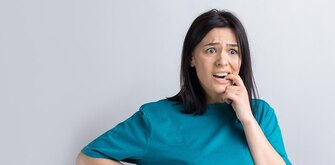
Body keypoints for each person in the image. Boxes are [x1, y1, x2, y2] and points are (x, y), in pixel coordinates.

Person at [76, 9, 291, 165]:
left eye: (233, 51)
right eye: (210, 50)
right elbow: (88, 158)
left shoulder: (260, 115)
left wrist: (247, 120)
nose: (222, 61)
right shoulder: (157, 118)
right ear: (192, 58)